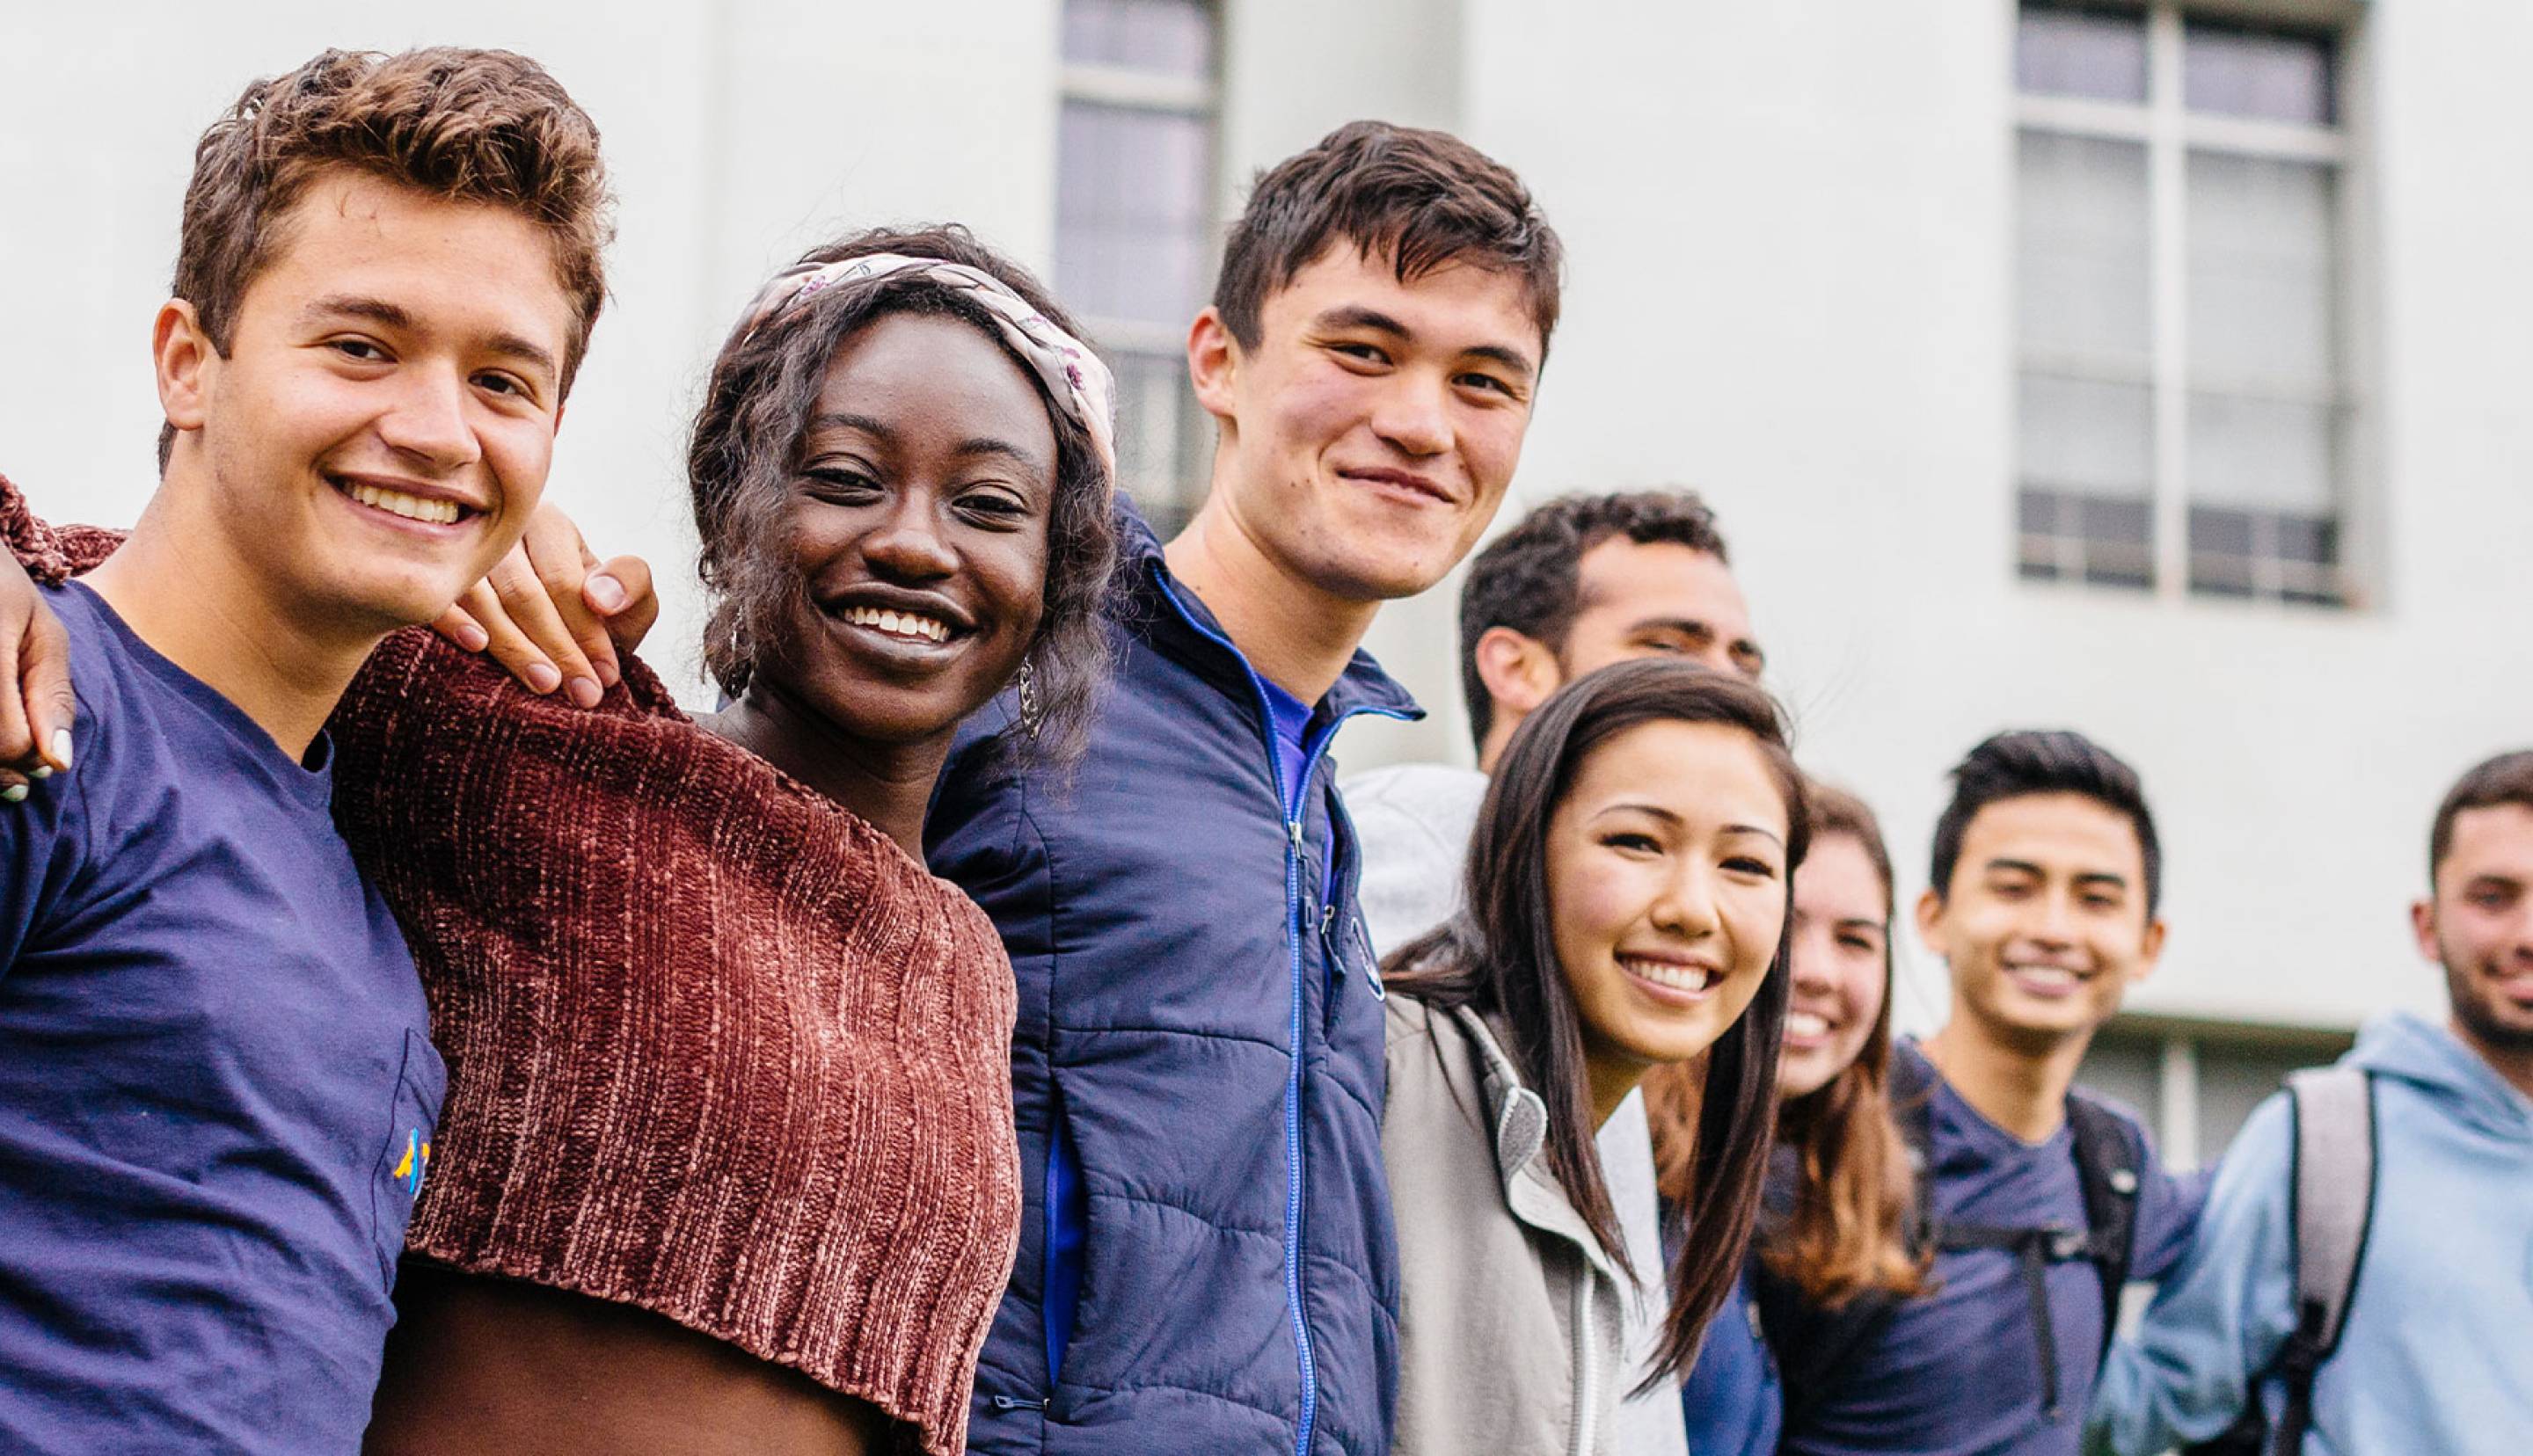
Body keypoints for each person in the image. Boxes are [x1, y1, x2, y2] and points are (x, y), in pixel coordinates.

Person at [9, 228, 1120, 1454]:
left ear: (1056, 568)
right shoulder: (531, 724)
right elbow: (151, 609)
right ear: (734, 505)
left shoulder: (967, 969)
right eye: (846, 478)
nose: (916, 541)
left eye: (989, 505)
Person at [0, 47, 610, 1453]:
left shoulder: (370, 899)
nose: (435, 430)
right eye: (360, 346)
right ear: (189, 364)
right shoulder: (40, 716)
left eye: (504, 382)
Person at [926, 120, 1562, 1454]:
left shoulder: (1326, 792)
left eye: (1485, 381)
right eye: (1362, 351)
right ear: (1219, 359)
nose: (1419, 424)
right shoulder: (1019, 668)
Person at [1344, 487, 1759, 1454]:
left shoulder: (1636, 933)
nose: (1725, 686)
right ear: (1516, 667)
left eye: (1744, 659)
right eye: (1670, 644)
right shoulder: (1437, 831)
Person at [1379, 659, 1803, 1456]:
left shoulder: (1619, 1146)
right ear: (1521, 850)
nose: (1691, 910)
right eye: (1637, 842)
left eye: (1745, 863)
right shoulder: (1373, 1074)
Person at [1764, 730, 2205, 1456]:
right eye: (2014, 888)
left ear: (2148, 943)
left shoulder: (2115, 1167)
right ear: (1932, 917)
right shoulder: (1822, 1141)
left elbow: (2268, 1216)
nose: (2054, 929)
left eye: (2096, 898)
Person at [2087, 750, 2533, 1456]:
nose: (2528, 935)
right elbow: (2154, 1407)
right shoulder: (2325, 1144)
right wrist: (1991, 1285)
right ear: (2426, 924)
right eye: (2492, 897)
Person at [1678, 781, 1925, 1456]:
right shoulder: (1621, 1178)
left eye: (1856, 940)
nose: (1816, 971)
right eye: (1785, 923)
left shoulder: (1774, 1194)